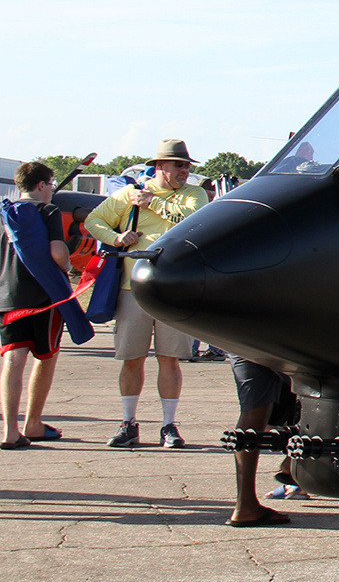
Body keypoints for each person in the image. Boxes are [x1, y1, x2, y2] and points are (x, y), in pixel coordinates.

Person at [84, 140, 209, 448]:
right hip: (133, 288)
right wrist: (116, 237)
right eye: (179, 165)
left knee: (170, 358)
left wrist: (151, 203)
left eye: (187, 166)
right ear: (160, 167)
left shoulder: (195, 194)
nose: (185, 171)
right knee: (132, 357)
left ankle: (169, 425)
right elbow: (93, 221)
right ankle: (128, 423)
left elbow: (195, 223)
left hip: (173, 290)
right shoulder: (129, 194)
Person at [1, 163, 70, 449]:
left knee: (12, 359)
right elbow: (56, 252)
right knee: (46, 356)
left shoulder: (4, 214)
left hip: (7, 295)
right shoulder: (48, 212)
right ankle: (34, 422)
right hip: (44, 295)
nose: (53, 188)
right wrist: (67, 262)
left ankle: (10, 430)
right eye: (51, 183)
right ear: (40, 185)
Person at [228, 356, 294, 527]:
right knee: (322, 384)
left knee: (252, 410)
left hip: (240, 335)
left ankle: (245, 504)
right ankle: (295, 462)